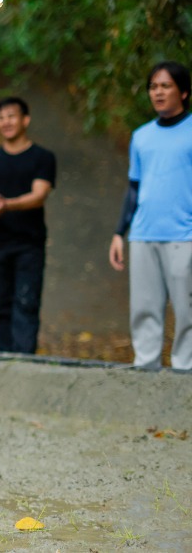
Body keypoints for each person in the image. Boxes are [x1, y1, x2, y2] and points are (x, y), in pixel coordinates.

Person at [108, 61, 192, 370]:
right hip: (143, 233)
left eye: (165, 86)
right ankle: (145, 368)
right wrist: (120, 232)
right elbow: (133, 187)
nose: (158, 92)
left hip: (185, 234)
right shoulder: (141, 136)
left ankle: (186, 369)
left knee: (187, 309)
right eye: (153, 87)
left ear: (183, 92)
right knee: (144, 308)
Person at [0, 97, 56, 355]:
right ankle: (6, 358)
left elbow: (39, 194)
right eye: (0, 117)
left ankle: (25, 362)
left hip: (29, 244)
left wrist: (7, 204)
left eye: (11, 116)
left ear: (25, 120)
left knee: (26, 303)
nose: (5, 122)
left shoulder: (42, 157)